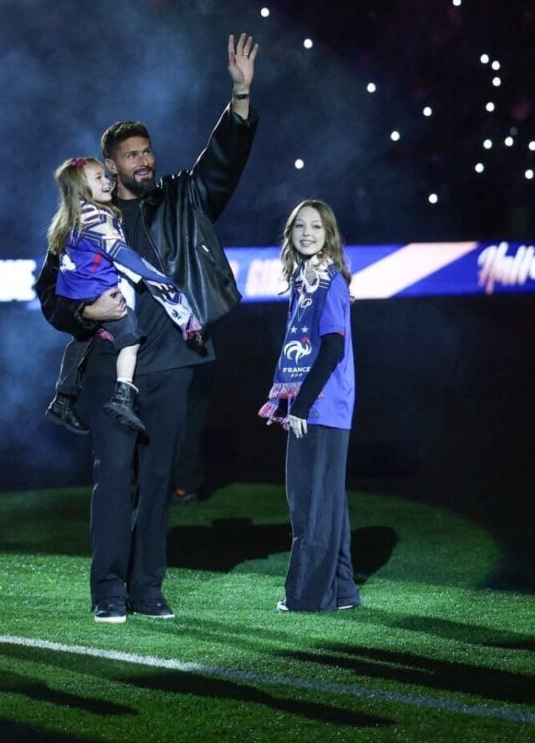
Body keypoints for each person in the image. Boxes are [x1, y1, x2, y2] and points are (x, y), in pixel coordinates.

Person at [35, 32, 259, 623]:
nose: (145, 160)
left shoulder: (181, 200)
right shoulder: (81, 221)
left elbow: (223, 163)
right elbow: (49, 297)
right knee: (114, 481)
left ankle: (148, 587)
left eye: (148, 151)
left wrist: (239, 96)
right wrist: (85, 314)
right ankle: (108, 588)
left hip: (171, 367)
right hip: (110, 368)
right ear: (110, 165)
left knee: (157, 482)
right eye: (132, 155)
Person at [44, 156, 202, 437]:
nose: (107, 182)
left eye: (106, 176)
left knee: (82, 339)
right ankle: (123, 396)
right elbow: (121, 254)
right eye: (99, 178)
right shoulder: (95, 217)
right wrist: (157, 277)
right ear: (80, 188)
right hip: (100, 293)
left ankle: (63, 399)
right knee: (130, 337)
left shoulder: (72, 218)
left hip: (81, 295)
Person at [258, 200, 362, 614]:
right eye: (300, 226)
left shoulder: (328, 281)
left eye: (316, 227)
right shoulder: (306, 280)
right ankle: (343, 590)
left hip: (320, 406)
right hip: (317, 405)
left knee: (311, 504)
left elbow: (333, 347)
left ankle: (307, 596)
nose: (307, 233)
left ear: (328, 234)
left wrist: (299, 406)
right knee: (327, 500)